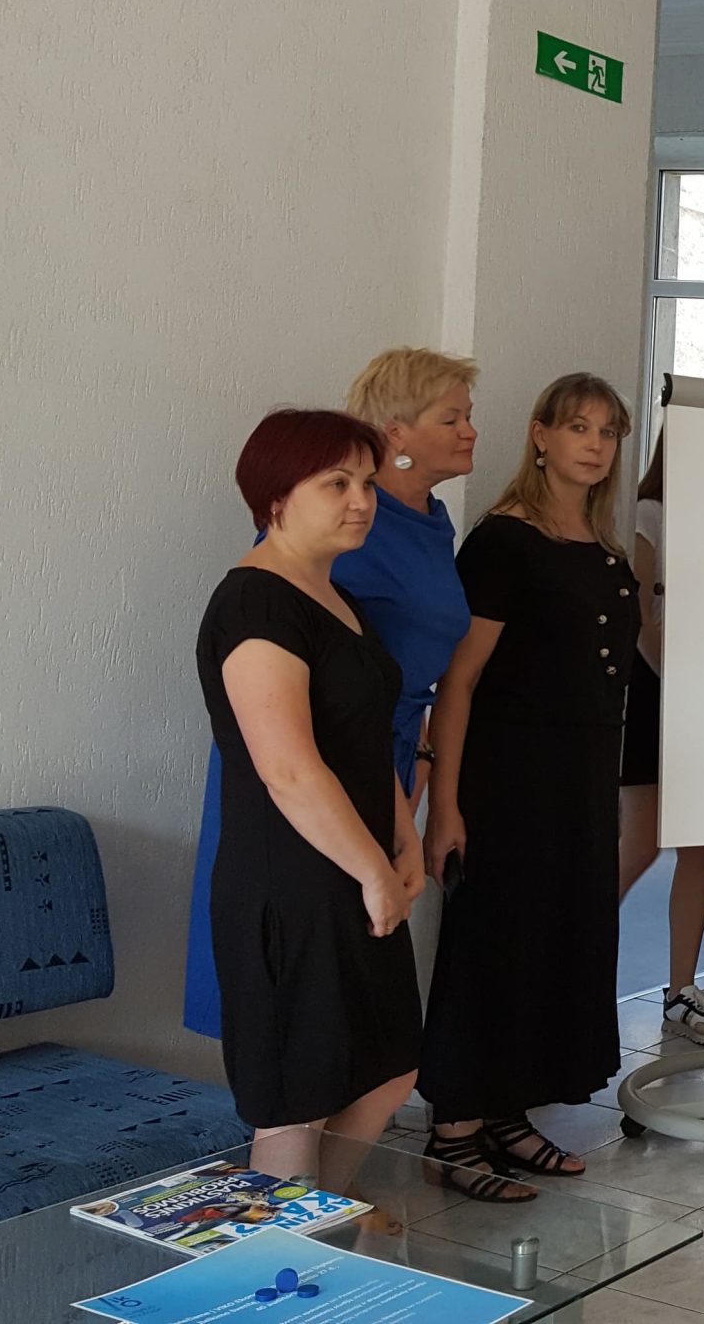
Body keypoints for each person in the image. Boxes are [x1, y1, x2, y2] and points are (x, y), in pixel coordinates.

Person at [184, 348, 481, 1040]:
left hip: (387, 753)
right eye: (451, 417)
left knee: (368, 991)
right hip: (313, 757)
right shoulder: (318, 542)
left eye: (469, 415)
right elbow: (288, 653)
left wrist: (423, 769)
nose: (470, 430)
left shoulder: (429, 520)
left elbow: (411, 664)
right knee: (307, 987)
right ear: (396, 430)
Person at [195, 409, 427, 1191]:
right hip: (289, 885)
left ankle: (319, 1219)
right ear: (275, 497)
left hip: (352, 865)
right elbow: (289, 768)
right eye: (336, 483)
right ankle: (286, 1251)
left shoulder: (335, 596)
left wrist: (403, 836)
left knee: (386, 1066)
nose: (361, 500)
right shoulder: (256, 604)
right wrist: (373, 869)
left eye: (366, 482)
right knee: (299, 1096)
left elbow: (359, 738)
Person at [420, 374, 639, 1190]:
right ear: (541, 435)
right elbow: (459, 681)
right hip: (509, 779)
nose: (594, 444)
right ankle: (455, 1126)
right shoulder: (504, 541)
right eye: (578, 426)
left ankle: (508, 1109)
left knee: (557, 941)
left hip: (582, 779)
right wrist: (445, 805)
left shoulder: (607, 549)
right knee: (496, 940)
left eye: (608, 431)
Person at [613, 431, 704, 1046]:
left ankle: (680, 989)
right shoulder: (649, 513)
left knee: (699, 844)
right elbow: (638, 616)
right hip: (655, 688)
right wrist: (680, 682)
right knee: (641, 842)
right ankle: (567, 959)